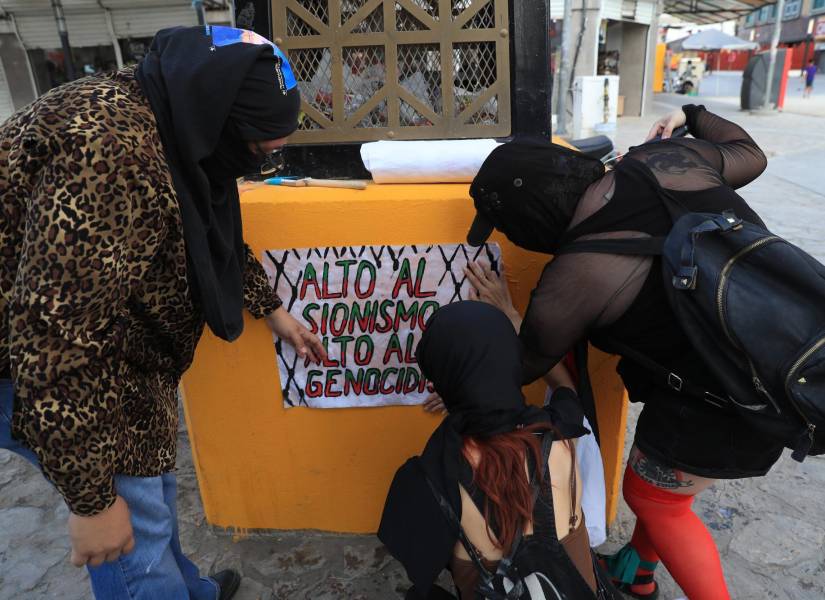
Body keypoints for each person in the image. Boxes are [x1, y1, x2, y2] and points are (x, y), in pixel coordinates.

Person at [0, 25, 325, 600]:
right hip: (42, 365)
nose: (260, 168)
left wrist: (271, 308)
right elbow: (56, 336)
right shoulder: (107, 151)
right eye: (258, 152)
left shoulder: (174, 115)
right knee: (131, 527)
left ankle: (187, 589)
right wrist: (92, 501)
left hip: (120, 348)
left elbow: (204, 219)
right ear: (218, 119)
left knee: (153, 486)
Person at [464, 104, 776, 600]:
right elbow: (750, 155)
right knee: (660, 469)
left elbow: (527, 362)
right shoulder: (664, 159)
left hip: (731, 391)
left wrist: (508, 313)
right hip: (778, 333)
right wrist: (687, 113)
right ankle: (638, 571)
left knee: (655, 500)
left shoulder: (577, 272)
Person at [379, 301, 614, 600]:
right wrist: (517, 320)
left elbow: (416, 558)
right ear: (513, 361)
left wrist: (459, 394)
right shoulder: (561, 432)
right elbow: (566, 389)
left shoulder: (430, 478)